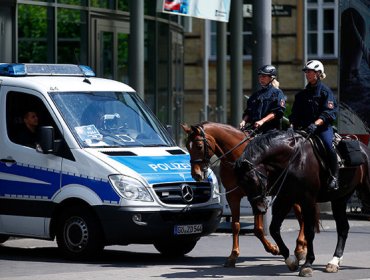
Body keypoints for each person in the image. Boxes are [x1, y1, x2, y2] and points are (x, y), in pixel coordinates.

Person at [289, 60, 339, 191]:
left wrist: (315, 124)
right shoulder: (301, 95)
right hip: (303, 129)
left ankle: (334, 177)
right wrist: (291, 125)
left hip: (321, 129)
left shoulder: (325, 92)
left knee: (328, 146)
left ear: (318, 73)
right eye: (306, 72)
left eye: (309, 72)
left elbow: (329, 113)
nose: (307, 74)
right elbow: (294, 114)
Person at [239, 65, 286, 134]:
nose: (261, 79)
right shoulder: (255, 95)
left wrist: (262, 121)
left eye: (264, 76)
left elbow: (277, 112)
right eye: (260, 76)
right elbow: (248, 112)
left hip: (271, 131)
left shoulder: (277, 93)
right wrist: (243, 121)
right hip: (254, 129)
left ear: (271, 78)